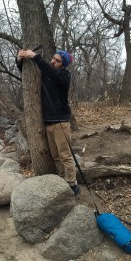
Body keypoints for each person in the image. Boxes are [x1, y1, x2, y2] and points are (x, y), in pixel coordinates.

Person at [16, 49, 80, 196]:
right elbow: (26, 74)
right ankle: (62, 181)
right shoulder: (47, 74)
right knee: (56, 156)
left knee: (65, 155)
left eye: (57, 60)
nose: (52, 61)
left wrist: (36, 57)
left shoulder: (64, 75)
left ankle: (72, 184)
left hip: (61, 122)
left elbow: (53, 74)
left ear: (62, 64)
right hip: (48, 123)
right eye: (53, 58)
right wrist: (20, 60)